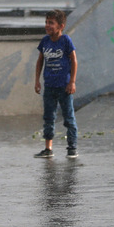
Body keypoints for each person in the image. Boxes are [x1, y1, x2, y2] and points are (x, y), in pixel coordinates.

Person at [33, 9, 79, 159]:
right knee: (48, 117)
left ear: (61, 26)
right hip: (49, 86)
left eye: (51, 23)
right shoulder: (45, 41)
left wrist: (72, 81)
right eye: (46, 22)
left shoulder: (65, 41)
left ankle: (72, 147)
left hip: (64, 87)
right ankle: (48, 148)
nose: (47, 26)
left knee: (68, 118)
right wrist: (37, 81)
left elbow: (74, 61)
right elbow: (40, 61)